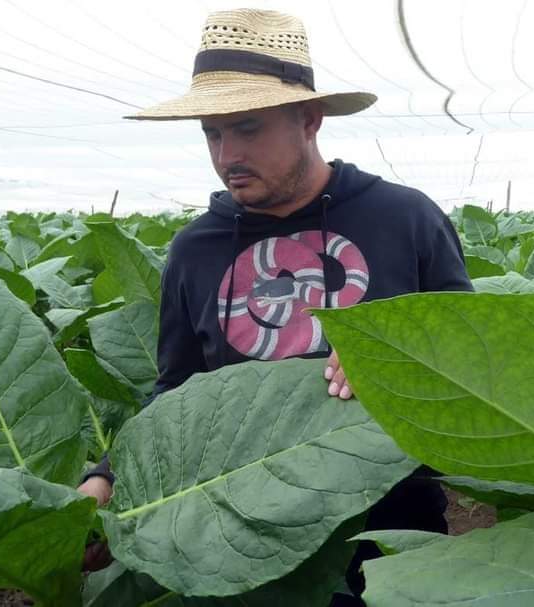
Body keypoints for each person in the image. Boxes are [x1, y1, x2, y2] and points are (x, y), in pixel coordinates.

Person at [78, 8, 473, 603]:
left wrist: (400, 353)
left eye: (248, 128)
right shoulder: (194, 250)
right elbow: (176, 391)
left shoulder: (405, 218)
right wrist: (107, 475)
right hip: (242, 528)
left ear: (309, 119)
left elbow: (472, 346)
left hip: (389, 520)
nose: (227, 153)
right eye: (213, 132)